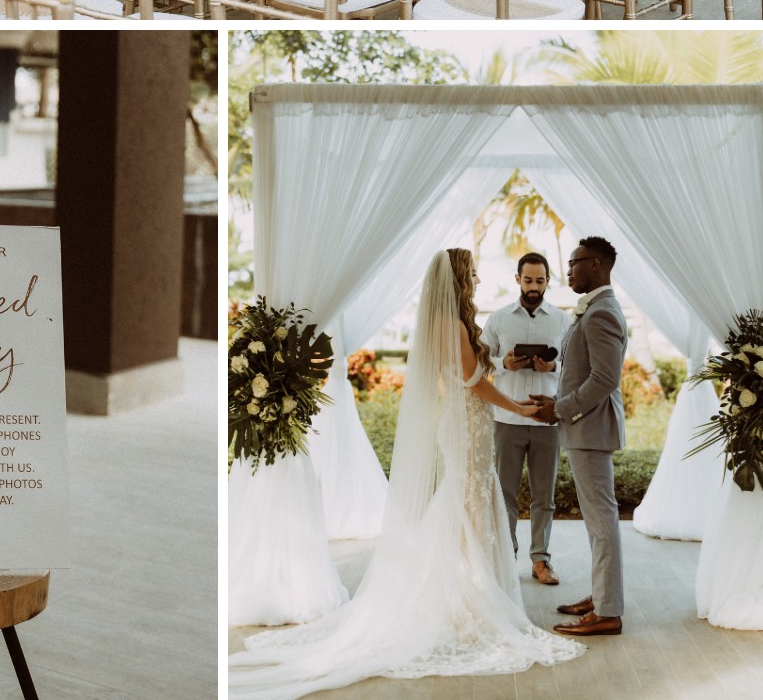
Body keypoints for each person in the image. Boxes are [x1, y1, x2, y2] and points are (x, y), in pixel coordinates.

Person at [229, 250, 585, 698]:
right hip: (466, 422)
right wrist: (517, 406)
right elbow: (473, 382)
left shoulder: (448, 323)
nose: (475, 278)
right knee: (470, 504)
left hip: (466, 422)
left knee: (468, 504)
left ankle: (468, 596)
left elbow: (463, 378)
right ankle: (468, 605)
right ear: (456, 278)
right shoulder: (452, 325)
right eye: (471, 273)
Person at [530, 235, 627, 638]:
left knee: (601, 521)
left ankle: (607, 613)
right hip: (583, 425)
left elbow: (604, 378)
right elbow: (580, 371)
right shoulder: (594, 308)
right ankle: (602, 596)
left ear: (597, 264)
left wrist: (561, 408)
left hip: (590, 429)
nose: (567, 270)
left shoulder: (602, 311)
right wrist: (555, 401)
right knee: (596, 521)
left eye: (573, 263)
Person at [483, 251, 571, 586]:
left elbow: (574, 366)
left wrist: (554, 367)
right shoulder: (499, 319)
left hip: (547, 419)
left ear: (548, 281)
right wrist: (504, 362)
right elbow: (479, 360)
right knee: (504, 494)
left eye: (540, 280)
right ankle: (506, 559)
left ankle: (541, 561)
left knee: (543, 496)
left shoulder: (563, 321)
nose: (533, 286)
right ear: (517, 279)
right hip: (507, 418)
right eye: (528, 279)